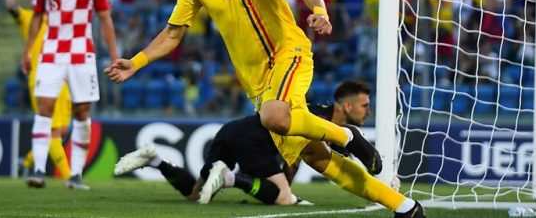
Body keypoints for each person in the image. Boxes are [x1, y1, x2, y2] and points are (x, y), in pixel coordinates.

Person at [105, 0, 425, 218]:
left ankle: (348, 136)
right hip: (257, 84)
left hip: (288, 53)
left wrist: (320, 11)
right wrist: (137, 62)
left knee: (274, 117)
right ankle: (404, 206)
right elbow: (173, 34)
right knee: (316, 156)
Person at [113, 80, 376, 206]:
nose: (368, 112)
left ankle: (156, 160)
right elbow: (294, 159)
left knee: (195, 192)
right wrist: (288, 195)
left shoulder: (321, 117)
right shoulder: (318, 120)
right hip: (253, 138)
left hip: (233, 129)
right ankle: (230, 178)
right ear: (347, 106)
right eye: (365, 106)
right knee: (282, 197)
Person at [22, 0, 119, 189]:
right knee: (44, 108)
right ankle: (38, 170)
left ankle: (75, 174)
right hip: (51, 52)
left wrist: (114, 56)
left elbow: (105, 19)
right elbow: (36, 18)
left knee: (82, 111)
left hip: (81, 53)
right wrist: (27, 50)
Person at [6, 0, 72, 181]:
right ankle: (71, 179)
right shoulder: (28, 17)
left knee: (61, 131)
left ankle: (26, 162)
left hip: (62, 79)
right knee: (53, 132)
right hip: (42, 78)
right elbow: (11, 6)